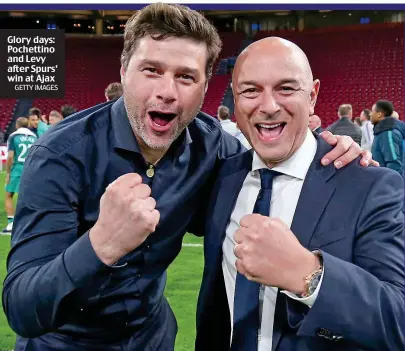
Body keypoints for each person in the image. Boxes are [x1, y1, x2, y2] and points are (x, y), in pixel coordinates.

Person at [3, 4, 374, 351]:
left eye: (185, 77)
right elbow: (22, 308)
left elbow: (282, 166)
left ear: (205, 87)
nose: (166, 92)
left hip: (155, 337)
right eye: (151, 71)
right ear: (123, 72)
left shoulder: (214, 148)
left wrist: (333, 150)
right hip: (66, 344)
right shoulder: (61, 155)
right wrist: (102, 244)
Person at [195, 37, 404, 351]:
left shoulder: (370, 186)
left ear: (313, 95)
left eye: (286, 88)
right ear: (235, 101)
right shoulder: (221, 178)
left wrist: (310, 274)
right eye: (250, 90)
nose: (267, 106)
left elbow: (398, 321)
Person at [3, 117, 37, 233]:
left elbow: (10, 157)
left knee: (8, 195)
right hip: (30, 169)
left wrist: (8, 172)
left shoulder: (14, 136)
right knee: (28, 197)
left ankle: (11, 224)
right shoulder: (33, 137)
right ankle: (29, 223)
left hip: (17, 169)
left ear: (17, 125)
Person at [370, 100, 404, 175]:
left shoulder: (387, 133)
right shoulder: (381, 132)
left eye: (372, 111)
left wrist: (391, 185)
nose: (370, 114)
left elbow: (394, 164)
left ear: (379, 114)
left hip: (389, 183)